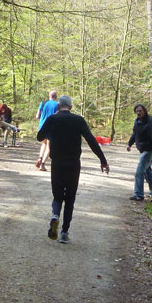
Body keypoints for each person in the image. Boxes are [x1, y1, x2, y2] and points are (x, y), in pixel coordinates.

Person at [36, 95, 109, 244]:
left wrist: (52, 129)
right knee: (70, 198)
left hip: (57, 163)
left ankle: (55, 215)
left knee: (57, 196)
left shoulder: (52, 119)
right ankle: (64, 233)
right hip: (73, 164)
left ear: (58, 106)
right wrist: (103, 160)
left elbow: (39, 137)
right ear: (70, 107)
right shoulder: (78, 120)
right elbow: (91, 140)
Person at [126, 104, 152, 201]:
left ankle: (138, 194)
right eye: (137, 111)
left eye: (140, 111)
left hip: (149, 150)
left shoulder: (150, 122)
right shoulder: (137, 121)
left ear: (144, 111)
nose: (138, 113)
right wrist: (129, 144)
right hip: (142, 149)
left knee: (140, 171)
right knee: (147, 171)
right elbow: (135, 134)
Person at [35, 91, 58, 171]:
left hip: (42, 126)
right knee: (49, 147)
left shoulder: (43, 103)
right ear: (56, 97)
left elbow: (37, 116)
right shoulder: (57, 105)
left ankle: (40, 158)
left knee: (44, 143)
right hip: (51, 127)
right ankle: (42, 164)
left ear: (49, 96)